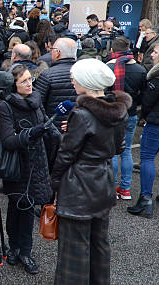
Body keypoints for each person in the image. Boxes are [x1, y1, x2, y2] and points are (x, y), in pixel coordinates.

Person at [51, 59, 129, 285]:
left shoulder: (82, 114)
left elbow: (66, 154)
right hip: (103, 180)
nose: (72, 80)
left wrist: (55, 182)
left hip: (79, 185)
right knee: (99, 242)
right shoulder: (119, 111)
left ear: (87, 81)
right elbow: (119, 147)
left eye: (75, 77)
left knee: (74, 249)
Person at [0, 65, 55, 275]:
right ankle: (14, 247)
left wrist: (59, 133)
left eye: (31, 79)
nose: (30, 84)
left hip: (37, 163)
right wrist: (32, 133)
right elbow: (9, 140)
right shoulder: (5, 107)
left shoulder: (36, 101)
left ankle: (25, 252)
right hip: (17, 166)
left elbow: (48, 126)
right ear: (14, 85)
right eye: (24, 81)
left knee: (28, 209)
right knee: (16, 206)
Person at [127, 41, 159, 217]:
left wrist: (144, 117)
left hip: (156, 124)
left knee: (147, 158)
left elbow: (147, 103)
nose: (151, 54)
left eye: (155, 51)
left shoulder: (157, 76)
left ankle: (146, 198)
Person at [106, 36, 147, 201]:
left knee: (113, 152)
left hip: (112, 113)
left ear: (112, 50)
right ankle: (126, 189)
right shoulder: (140, 69)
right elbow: (144, 95)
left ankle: (112, 188)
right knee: (127, 151)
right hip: (130, 114)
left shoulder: (108, 67)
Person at [34, 38, 78, 133]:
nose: (50, 52)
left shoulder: (47, 75)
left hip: (54, 130)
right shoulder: (84, 73)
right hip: (80, 127)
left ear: (58, 52)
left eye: (52, 49)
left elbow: (38, 103)